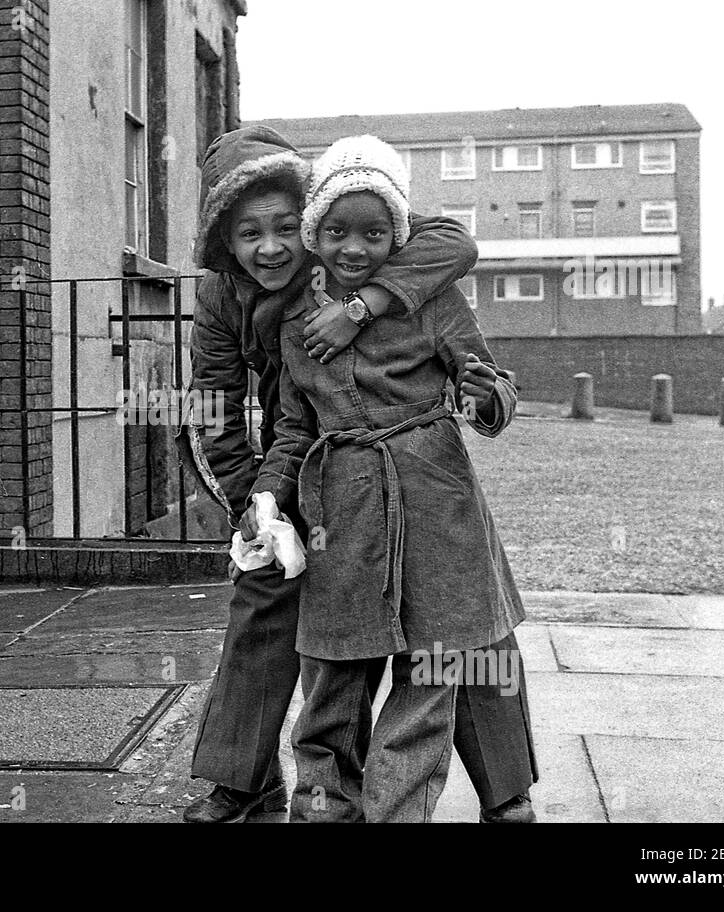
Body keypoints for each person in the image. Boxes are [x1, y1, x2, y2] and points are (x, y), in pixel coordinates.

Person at [182, 126, 536, 823]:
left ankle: (507, 789)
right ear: (225, 242)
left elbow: (455, 245)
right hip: (302, 460)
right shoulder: (223, 298)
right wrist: (256, 504)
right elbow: (216, 408)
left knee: (466, 617)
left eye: (287, 226)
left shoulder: (358, 257)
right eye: (248, 234)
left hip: (407, 465)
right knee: (273, 607)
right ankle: (245, 779)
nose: (271, 248)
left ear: (309, 222)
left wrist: (362, 305)